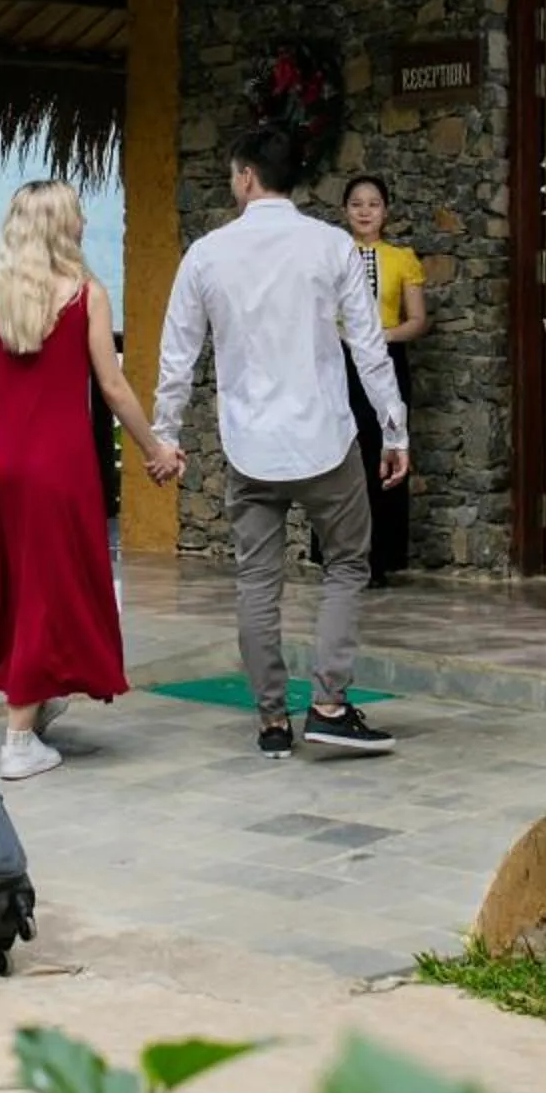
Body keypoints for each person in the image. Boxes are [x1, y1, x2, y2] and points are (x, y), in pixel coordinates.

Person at [151, 123, 408, 760]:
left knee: (256, 583)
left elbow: (177, 356)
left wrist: (165, 435)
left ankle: (272, 722)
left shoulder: (207, 254)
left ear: (245, 176)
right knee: (348, 565)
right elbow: (369, 348)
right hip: (326, 439)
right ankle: (328, 704)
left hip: (250, 448)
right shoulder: (332, 247)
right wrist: (394, 428)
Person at [0, 180, 171, 783]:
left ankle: (39, 696)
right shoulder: (86, 296)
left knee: (21, 590)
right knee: (50, 591)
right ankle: (19, 739)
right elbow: (111, 385)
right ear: (60, 226)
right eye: (77, 215)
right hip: (60, 468)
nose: (84, 223)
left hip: (5, 466)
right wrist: (154, 448)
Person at [340, 173, 429, 587]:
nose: (364, 211)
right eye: (357, 203)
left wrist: (381, 337)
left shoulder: (401, 258)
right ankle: (339, 556)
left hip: (387, 360)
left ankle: (381, 558)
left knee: (385, 451)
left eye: (373, 203)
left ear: (385, 211)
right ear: (346, 210)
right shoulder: (333, 255)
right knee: (341, 452)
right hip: (339, 363)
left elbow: (417, 321)